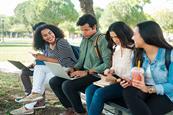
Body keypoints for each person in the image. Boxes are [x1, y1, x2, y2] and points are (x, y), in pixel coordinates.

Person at [49, 14, 112, 115]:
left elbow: (108, 64)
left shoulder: (102, 40)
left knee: (67, 85)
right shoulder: (84, 40)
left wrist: (86, 72)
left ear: (94, 27)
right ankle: (71, 109)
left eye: (86, 30)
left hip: (97, 75)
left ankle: (81, 112)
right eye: (82, 30)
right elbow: (81, 60)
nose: (84, 33)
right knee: (54, 81)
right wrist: (73, 68)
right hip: (84, 72)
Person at [10, 24, 77, 115]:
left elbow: (64, 61)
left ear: (54, 32)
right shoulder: (47, 45)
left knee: (42, 80)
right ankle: (32, 98)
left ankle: (29, 104)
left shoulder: (61, 42)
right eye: (45, 35)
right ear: (41, 38)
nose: (49, 36)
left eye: (50, 33)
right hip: (56, 69)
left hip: (68, 69)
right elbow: (49, 62)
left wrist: (44, 58)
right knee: (39, 67)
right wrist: (39, 59)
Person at [122, 21, 173, 115]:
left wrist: (149, 89)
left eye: (134, 35)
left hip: (166, 93)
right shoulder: (137, 53)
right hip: (143, 88)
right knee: (128, 91)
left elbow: (172, 86)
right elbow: (133, 74)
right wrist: (130, 81)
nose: (132, 38)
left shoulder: (170, 54)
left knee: (148, 110)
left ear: (145, 35)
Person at [85, 21, 134, 115]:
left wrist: (116, 79)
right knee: (89, 90)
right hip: (114, 80)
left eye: (116, 36)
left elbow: (135, 72)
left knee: (99, 93)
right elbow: (114, 66)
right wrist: (110, 71)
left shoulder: (134, 49)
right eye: (112, 37)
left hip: (126, 84)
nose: (115, 39)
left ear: (124, 34)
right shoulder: (116, 48)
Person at [15, 22, 46, 108]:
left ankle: (40, 102)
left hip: (47, 69)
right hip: (41, 66)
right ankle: (29, 96)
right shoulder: (41, 43)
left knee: (41, 76)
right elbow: (43, 57)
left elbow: (51, 59)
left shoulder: (49, 40)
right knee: (24, 72)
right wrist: (34, 63)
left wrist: (38, 62)